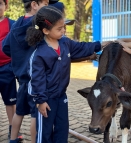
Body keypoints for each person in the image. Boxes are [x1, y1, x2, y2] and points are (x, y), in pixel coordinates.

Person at [25, 6, 109, 143]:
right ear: (45, 30)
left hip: (61, 97)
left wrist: (99, 45)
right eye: (59, 29)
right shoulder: (39, 54)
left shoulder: (65, 43)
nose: (63, 31)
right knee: (45, 132)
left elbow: (82, 47)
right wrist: (40, 101)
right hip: (46, 99)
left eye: (63, 27)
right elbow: (36, 80)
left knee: (62, 128)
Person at [2, 0, 59, 143]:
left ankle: (13, 139)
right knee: (36, 115)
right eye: (46, 4)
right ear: (34, 5)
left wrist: (19, 59)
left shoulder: (16, 25)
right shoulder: (40, 27)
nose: (49, 7)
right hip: (37, 80)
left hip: (22, 79)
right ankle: (35, 141)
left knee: (19, 112)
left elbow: (5, 47)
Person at [0, 0, 17, 139]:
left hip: (7, 69)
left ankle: (13, 129)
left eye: (0, 3)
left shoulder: (12, 25)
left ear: (6, 6)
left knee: (10, 102)